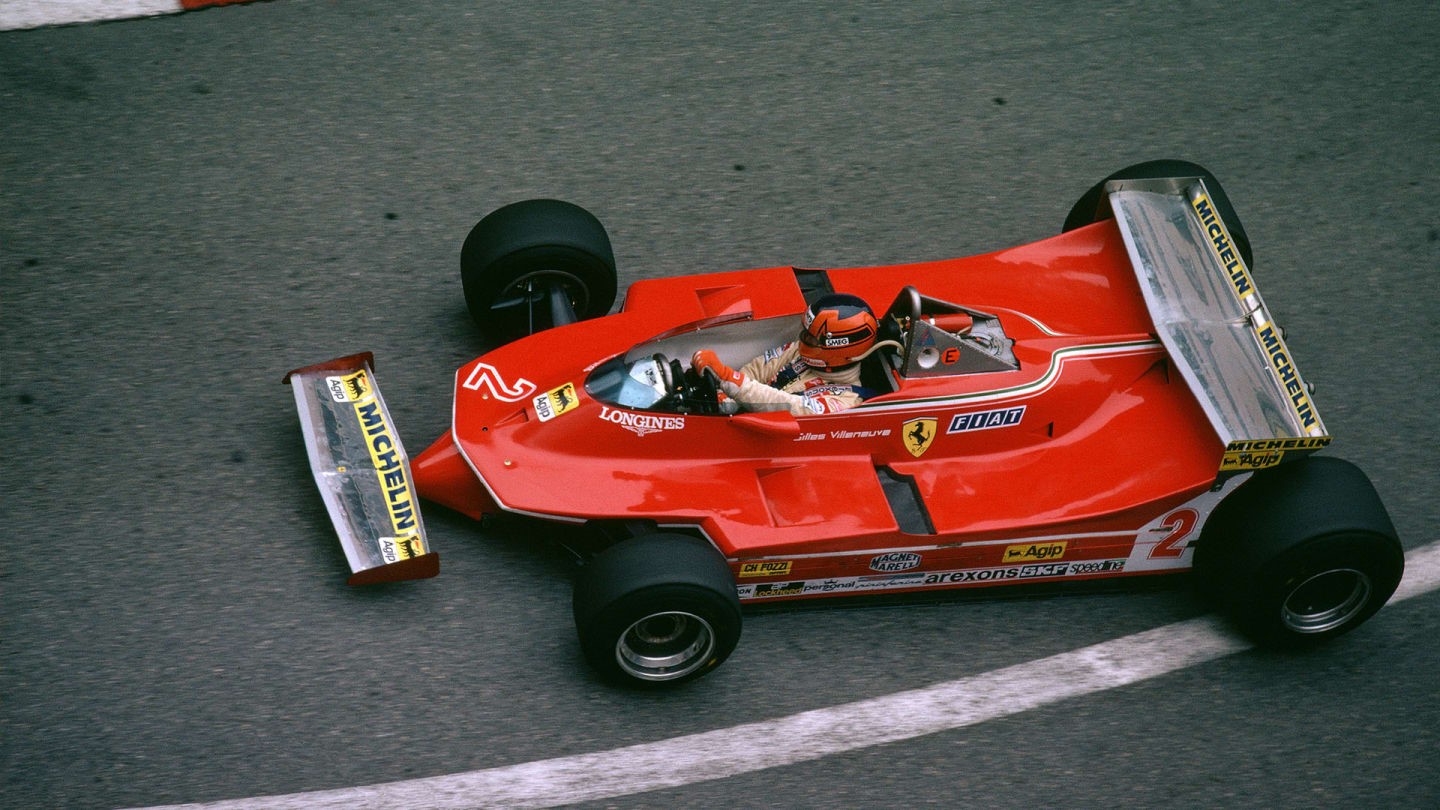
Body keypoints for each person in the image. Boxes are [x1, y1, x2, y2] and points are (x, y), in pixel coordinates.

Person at [692, 293, 882, 416]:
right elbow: (760, 368)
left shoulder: (844, 402)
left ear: (838, 348)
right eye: (806, 332)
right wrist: (728, 396)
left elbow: (784, 405)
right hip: (747, 412)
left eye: (812, 338)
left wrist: (729, 379)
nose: (804, 339)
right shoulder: (802, 351)